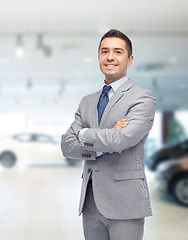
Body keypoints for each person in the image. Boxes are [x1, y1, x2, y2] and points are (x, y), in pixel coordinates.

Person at [61, 29, 156, 240]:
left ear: (129, 59)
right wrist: (102, 145)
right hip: (91, 202)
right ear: (98, 58)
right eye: (104, 51)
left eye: (118, 52)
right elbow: (67, 146)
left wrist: (84, 133)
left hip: (126, 203)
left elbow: (122, 139)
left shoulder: (143, 98)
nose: (110, 57)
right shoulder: (87, 102)